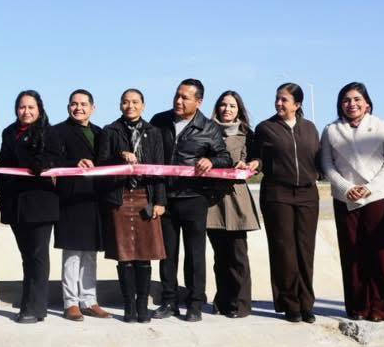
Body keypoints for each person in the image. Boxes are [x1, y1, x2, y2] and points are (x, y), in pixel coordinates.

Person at [150, 79, 232, 322]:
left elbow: (224, 157)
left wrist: (212, 161)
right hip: (165, 198)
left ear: (199, 102)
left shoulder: (208, 127)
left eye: (185, 97)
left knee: (195, 254)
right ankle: (168, 301)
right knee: (167, 255)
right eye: (177, 95)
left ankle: (195, 303)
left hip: (195, 198)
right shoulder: (159, 121)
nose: (178, 101)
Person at [320, 82, 384, 322]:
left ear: (367, 103)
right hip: (345, 198)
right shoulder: (331, 130)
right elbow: (327, 164)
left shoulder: (381, 126)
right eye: (346, 100)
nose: (352, 104)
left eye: (357, 99)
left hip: (377, 197)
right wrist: (347, 188)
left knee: (379, 254)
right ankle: (358, 306)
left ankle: (383, 307)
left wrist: (369, 188)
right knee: (351, 253)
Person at [93, 89, 167, 323]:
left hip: (146, 195)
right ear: (120, 105)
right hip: (120, 196)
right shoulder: (110, 131)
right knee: (124, 256)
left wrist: (160, 201)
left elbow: (159, 168)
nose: (130, 106)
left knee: (145, 254)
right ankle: (128, 306)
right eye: (126, 102)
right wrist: (119, 157)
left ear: (143, 105)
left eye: (135, 102)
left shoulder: (154, 132)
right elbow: (101, 164)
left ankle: (142, 304)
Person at [254, 83, 322, 323]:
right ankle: (290, 304)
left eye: (284, 100)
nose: (279, 104)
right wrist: (253, 164)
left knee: (305, 250)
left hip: (307, 195)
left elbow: (320, 160)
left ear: (297, 104)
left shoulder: (311, 128)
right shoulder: (265, 128)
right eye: (277, 99)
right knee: (284, 251)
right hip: (277, 194)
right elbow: (257, 157)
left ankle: (307, 304)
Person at [0, 90, 63, 324]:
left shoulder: (49, 133)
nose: (26, 112)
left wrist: (37, 162)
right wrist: (2, 197)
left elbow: (50, 160)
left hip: (40, 204)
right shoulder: (8, 132)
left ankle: (34, 308)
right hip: (15, 204)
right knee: (27, 257)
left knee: (37, 256)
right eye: (22, 107)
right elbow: (3, 166)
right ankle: (30, 303)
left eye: (31, 107)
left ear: (40, 109)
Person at [206, 90, 262, 318]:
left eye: (232, 106)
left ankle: (240, 303)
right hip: (213, 202)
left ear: (239, 109)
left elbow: (257, 160)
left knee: (238, 255)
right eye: (223, 105)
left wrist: (250, 164)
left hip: (237, 198)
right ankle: (222, 300)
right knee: (220, 256)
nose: (227, 109)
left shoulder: (248, 134)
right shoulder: (207, 131)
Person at [55, 89, 108, 321]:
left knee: (90, 253)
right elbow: (52, 160)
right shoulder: (58, 131)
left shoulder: (101, 132)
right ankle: (70, 302)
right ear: (68, 107)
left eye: (84, 104)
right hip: (71, 199)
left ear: (93, 108)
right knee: (72, 253)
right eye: (74, 104)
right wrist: (72, 163)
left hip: (95, 199)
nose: (79, 108)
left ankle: (89, 300)